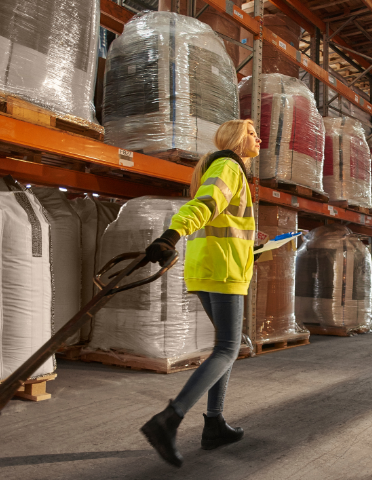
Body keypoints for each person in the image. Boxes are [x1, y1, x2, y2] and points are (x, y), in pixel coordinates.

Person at [140, 119, 261, 467]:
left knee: (225, 347)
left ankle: (214, 424)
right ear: (238, 139)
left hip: (211, 266)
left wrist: (253, 246)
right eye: (252, 133)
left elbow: (223, 222)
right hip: (222, 270)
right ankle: (169, 419)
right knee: (227, 348)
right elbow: (205, 204)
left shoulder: (222, 167)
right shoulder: (229, 166)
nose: (259, 138)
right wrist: (170, 235)